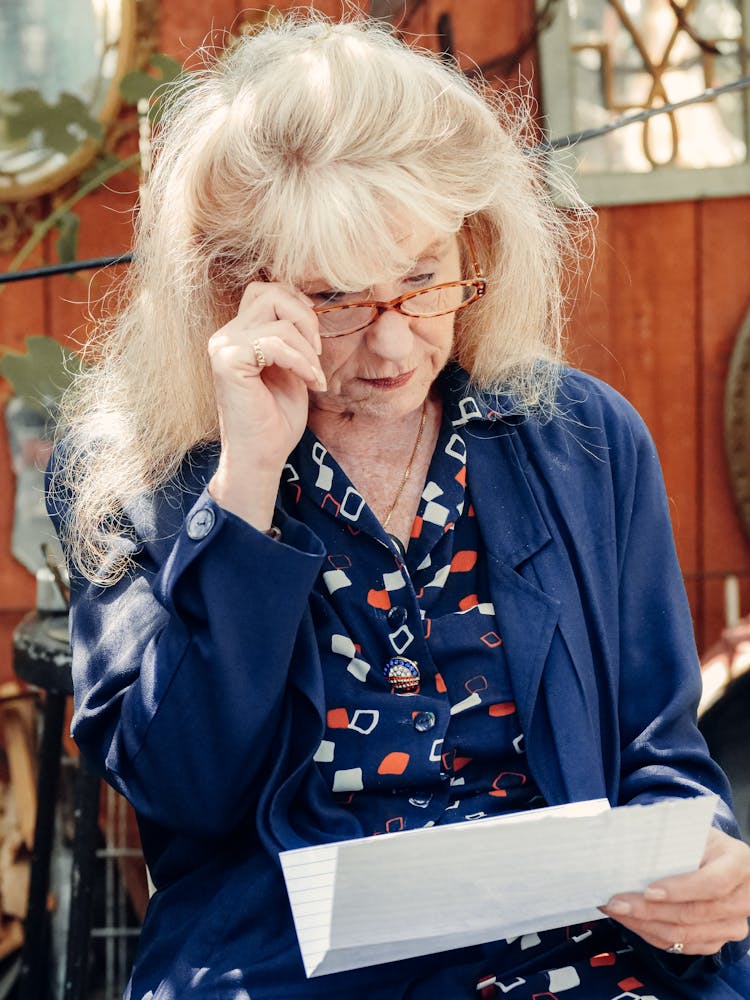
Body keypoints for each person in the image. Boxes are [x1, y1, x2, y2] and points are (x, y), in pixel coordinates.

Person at [47, 12, 750, 999]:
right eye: (336, 300)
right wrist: (246, 480)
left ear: (475, 240)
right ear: (229, 289)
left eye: (422, 279)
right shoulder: (130, 474)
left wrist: (709, 856)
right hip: (292, 973)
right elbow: (183, 795)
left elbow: (658, 752)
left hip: (587, 957)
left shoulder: (584, 437)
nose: (393, 348)